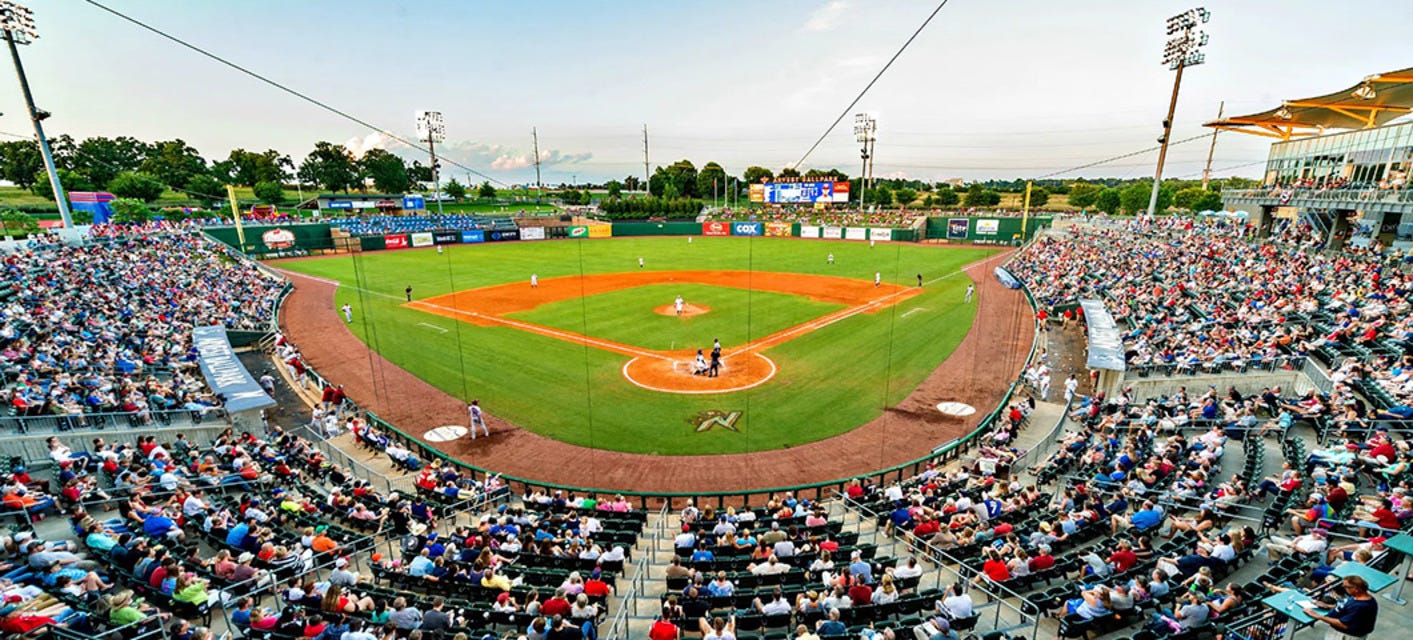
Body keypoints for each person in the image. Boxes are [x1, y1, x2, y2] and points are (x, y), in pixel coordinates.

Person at [1302, 575, 1378, 639]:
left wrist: (1317, 616)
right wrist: (1328, 606)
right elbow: (1346, 607)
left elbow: (1344, 624)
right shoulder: (1355, 596)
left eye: (1346, 586)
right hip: (1338, 632)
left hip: (1345, 635)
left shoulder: (1361, 606)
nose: (1343, 588)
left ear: (1356, 589)